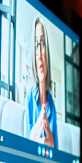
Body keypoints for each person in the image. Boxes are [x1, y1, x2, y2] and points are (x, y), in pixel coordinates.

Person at [26, 17, 58, 148]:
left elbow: (56, 155)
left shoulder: (52, 106)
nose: (39, 53)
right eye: (35, 45)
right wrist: (31, 141)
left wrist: (52, 146)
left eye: (42, 43)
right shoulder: (29, 99)